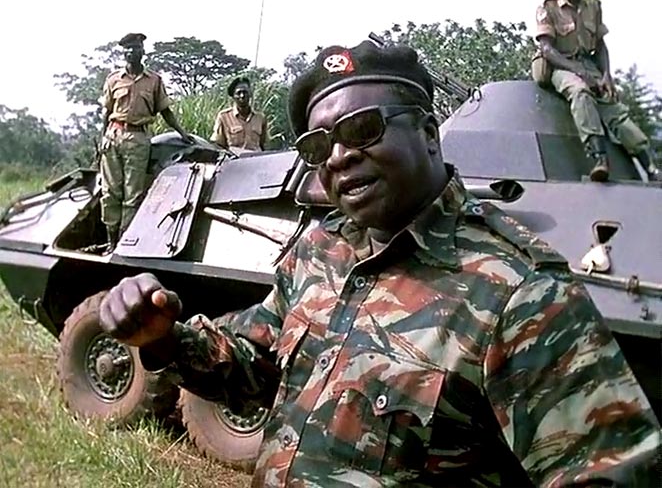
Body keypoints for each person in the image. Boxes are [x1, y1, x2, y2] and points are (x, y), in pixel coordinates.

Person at [99, 41, 660, 486]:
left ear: (430, 134)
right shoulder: (320, 251)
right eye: (318, 145)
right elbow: (256, 368)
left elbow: (611, 472)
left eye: (363, 129)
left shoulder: (520, 293)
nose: (339, 155)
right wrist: (166, 338)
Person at [535, 0, 661, 182]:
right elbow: (547, 49)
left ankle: (650, 166)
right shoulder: (548, 6)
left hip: (589, 64)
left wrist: (606, 75)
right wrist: (577, 71)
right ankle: (599, 158)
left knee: (614, 108)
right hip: (561, 65)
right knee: (580, 92)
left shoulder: (592, 5)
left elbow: (600, 45)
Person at [100, 32, 194, 252]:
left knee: (132, 195)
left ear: (143, 52)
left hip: (138, 138)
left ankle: (123, 243)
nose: (131, 52)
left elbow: (165, 111)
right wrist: (103, 138)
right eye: (127, 49)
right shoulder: (114, 79)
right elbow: (106, 112)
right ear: (123, 53)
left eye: (135, 48)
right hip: (113, 136)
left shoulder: (154, 80)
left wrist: (182, 133)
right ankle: (111, 242)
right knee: (110, 192)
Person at [211, 76, 268, 151]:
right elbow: (218, 145)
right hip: (234, 157)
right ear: (233, 96)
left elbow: (263, 144)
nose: (242, 96)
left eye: (245, 92)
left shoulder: (260, 118)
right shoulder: (224, 117)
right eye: (238, 93)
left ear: (250, 94)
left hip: (257, 157)